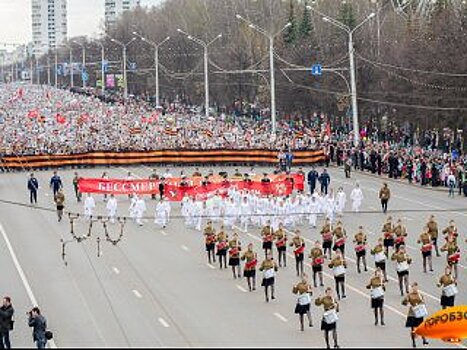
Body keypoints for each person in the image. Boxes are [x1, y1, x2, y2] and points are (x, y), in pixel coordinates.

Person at [402, 283, 429, 348]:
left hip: (419, 313)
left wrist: (421, 305)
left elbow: (423, 302)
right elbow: (403, 302)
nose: (415, 289)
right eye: (413, 288)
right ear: (412, 288)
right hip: (412, 314)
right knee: (413, 329)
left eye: (416, 288)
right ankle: (413, 342)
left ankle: (424, 339)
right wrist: (407, 303)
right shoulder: (409, 295)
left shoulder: (420, 295)